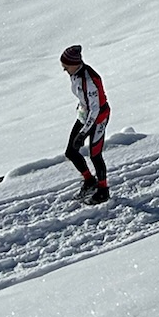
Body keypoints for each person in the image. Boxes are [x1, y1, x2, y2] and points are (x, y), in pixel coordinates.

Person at [60, 45, 110, 203]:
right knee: (71, 152)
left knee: (95, 155)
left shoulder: (89, 79)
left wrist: (83, 133)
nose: (64, 70)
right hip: (85, 115)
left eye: (66, 66)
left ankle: (103, 190)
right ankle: (89, 181)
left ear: (75, 64)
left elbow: (95, 109)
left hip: (98, 117)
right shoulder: (75, 73)